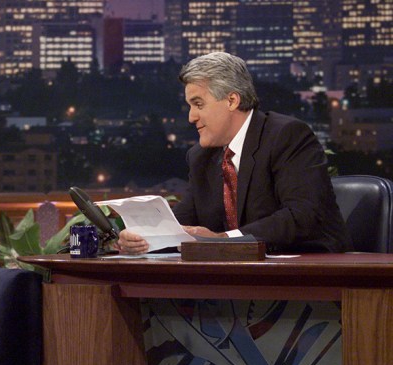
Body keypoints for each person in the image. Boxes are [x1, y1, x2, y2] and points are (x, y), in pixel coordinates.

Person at [118, 51, 351, 255]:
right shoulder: (202, 157)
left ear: (231, 100)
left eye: (198, 104)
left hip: (312, 277)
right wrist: (143, 239)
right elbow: (183, 226)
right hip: (237, 283)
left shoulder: (286, 136)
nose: (191, 117)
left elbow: (301, 217)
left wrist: (224, 240)